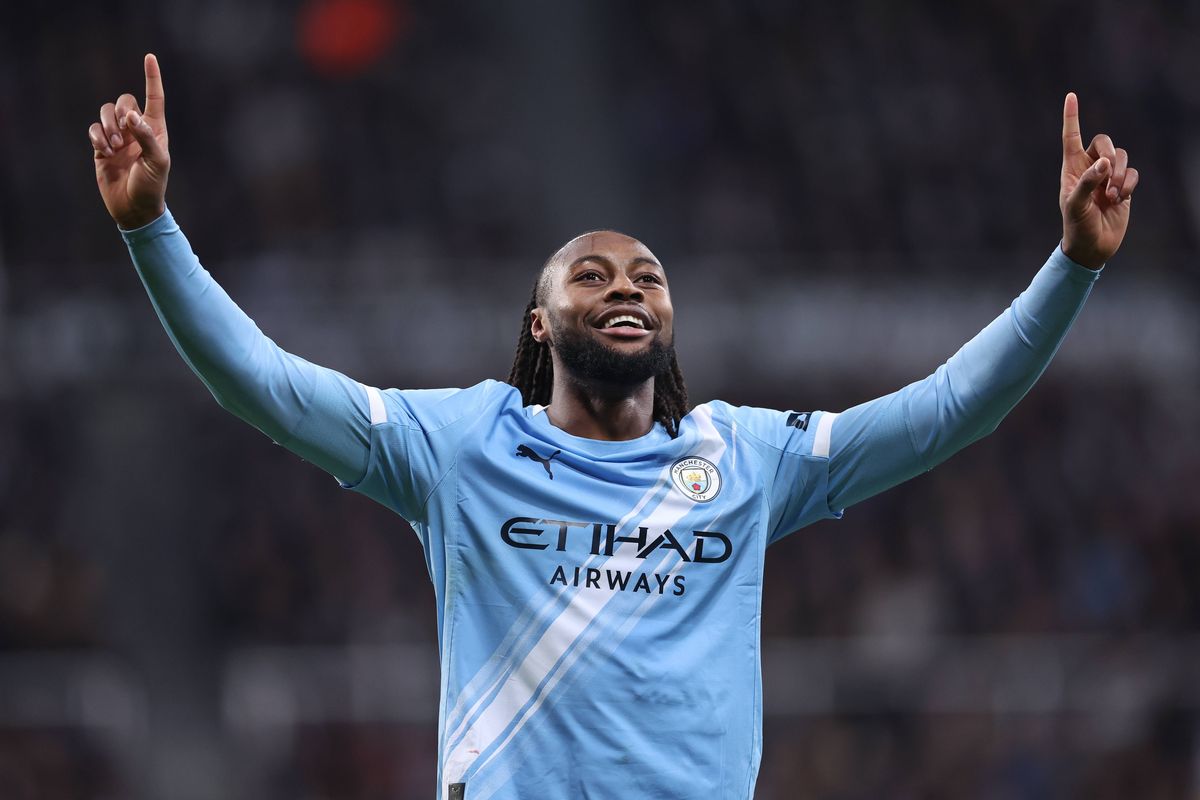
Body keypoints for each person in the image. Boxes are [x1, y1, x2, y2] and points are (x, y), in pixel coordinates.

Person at [90, 54, 1138, 800]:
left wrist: (1073, 266)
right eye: (591, 275)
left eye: (648, 276)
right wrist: (151, 227)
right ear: (540, 323)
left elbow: (948, 410)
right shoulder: (459, 446)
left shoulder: (746, 457)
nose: (627, 286)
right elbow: (264, 384)